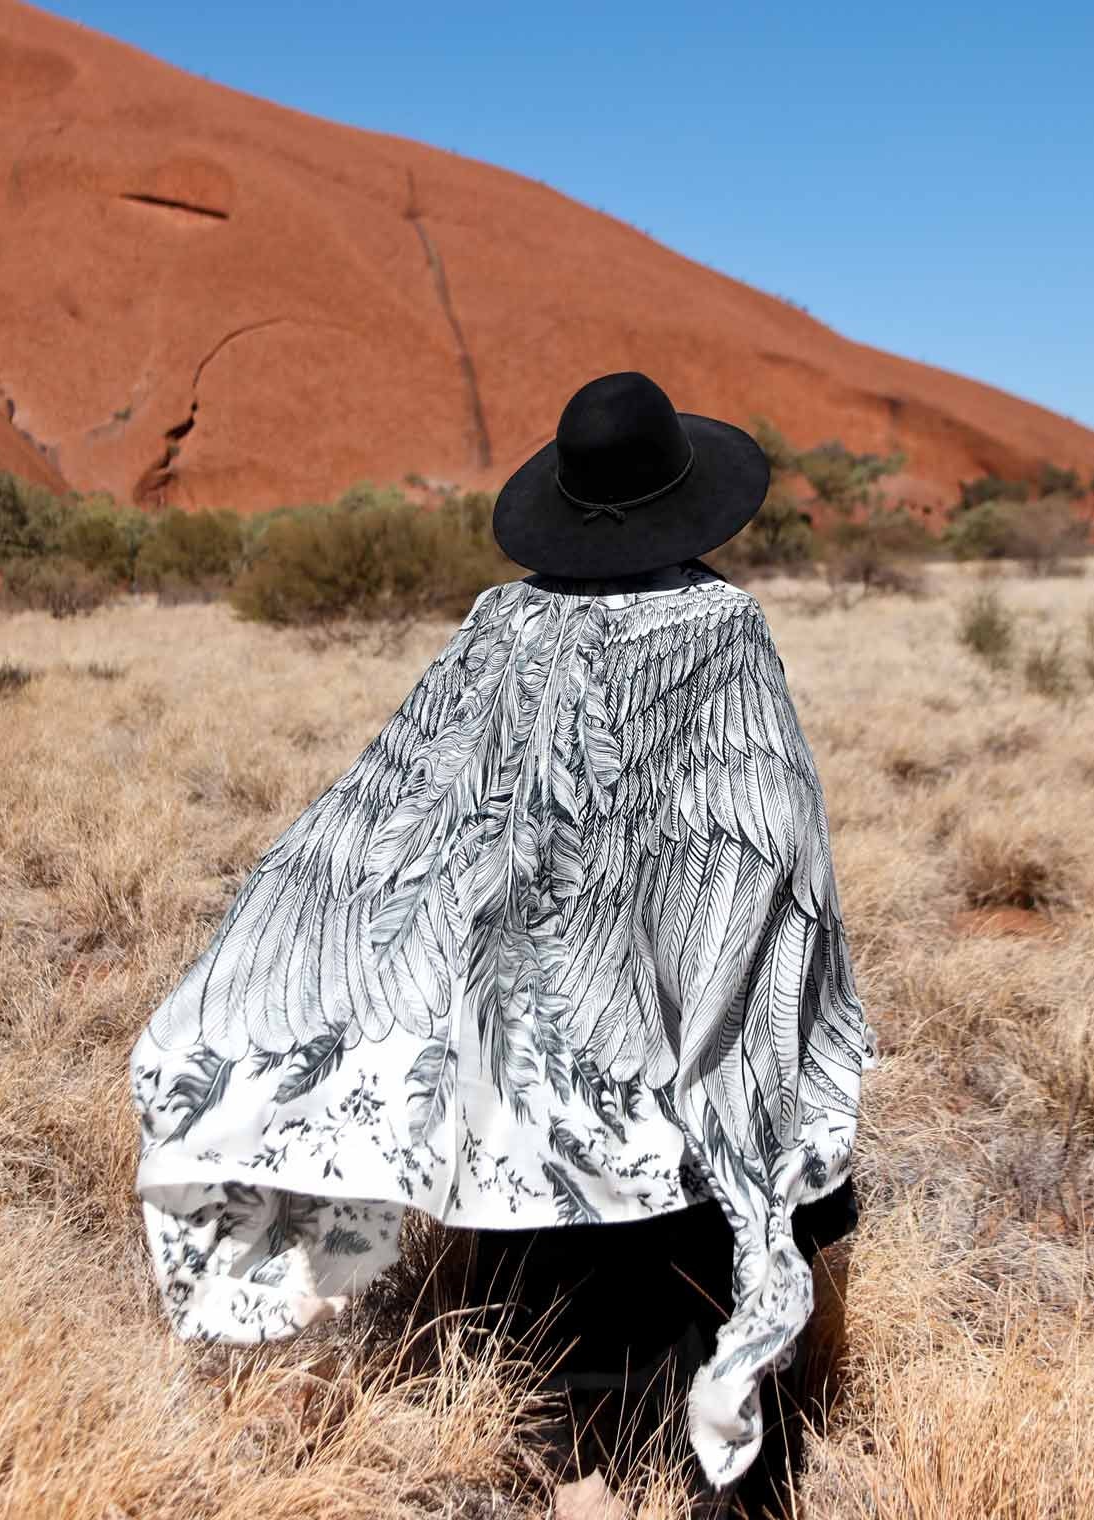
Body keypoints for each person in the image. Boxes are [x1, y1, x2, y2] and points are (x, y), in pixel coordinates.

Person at [127, 370, 878, 1509]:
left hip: (519, 1028)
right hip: (664, 1007)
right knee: (672, 1245)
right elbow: (772, 839)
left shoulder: (502, 620)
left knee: (539, 1248)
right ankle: (674, 1468)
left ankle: (569, 1467)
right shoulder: (719, 624)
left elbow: (399, 802)